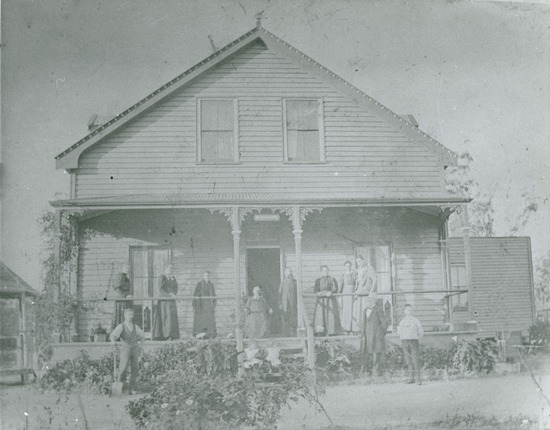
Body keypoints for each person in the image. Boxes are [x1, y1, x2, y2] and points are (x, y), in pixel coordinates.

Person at [110, 308, 145, 394]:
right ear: (125, 315)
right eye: (129, 314)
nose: (131, 316)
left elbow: (142, 335)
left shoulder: (135, 326)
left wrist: (141, 345)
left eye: (132, 315)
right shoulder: (121, 326)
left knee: (135, 368)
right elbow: (113, 335)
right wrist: (113, 342)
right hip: (125, 349)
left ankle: (132, 388)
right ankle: (122, 387)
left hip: (135, 348)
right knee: (123, 368)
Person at [360, 292, 389, 377]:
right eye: (367, 300)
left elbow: (383, 322)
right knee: (366, 352)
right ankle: (365, 371)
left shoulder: (378, 309)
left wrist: (382, 333)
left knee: (376, 352)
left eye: (370, 300)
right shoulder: (365, 310)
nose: (368, 301)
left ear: (374, 301)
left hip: (377, 334)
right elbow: (364, 322)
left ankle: (376, 371)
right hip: (367, 335)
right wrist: (362, 333)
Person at [397, 304, 424, 385]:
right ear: (404, 311)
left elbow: (421, 331)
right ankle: (411, 377)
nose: (409, 311)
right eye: (408, 310)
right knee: (408, 360)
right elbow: (399, 331)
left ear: (412, 311)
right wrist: (402, 338)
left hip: (414, 341)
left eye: (411, 310)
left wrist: (417, 337)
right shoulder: (402, 321)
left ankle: (418, 379)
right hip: (405, 341)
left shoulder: (415, 320)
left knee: (415, 359)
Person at [152, 264, 180, 340]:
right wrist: (168, 295)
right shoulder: (162, 277)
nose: (171, 270)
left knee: (171, 318)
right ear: (165, 269)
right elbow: (161, 289)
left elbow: (175, 287)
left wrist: (173, 293)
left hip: (171, 300)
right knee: (165, 317)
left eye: (172, 269)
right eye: (170, 268)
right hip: (164, 301)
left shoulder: (173, 278)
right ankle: (164, 336)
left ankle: (171, 335)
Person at [313, 266, 342, 336]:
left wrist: (331, 292)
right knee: (320, 315)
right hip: (321, 300)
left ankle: (331, 331)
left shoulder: (332, 279)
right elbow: (315, 290)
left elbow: (335, 289)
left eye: (326, 270)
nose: (325, 272)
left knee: (330, 315)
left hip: (330, 300)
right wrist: (318, 293)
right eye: (323, 271)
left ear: (328, 271)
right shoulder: (318, 280)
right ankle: (321, 331)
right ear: (321, 272)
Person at [354, 255, 377, 332]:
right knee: (359, 311)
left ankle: (368, 329)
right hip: (359, 292)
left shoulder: (369, 269)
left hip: (366, 292)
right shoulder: (358, 270)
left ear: (363, 260)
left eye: (360, 261)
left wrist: (372, 290)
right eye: (357, 262)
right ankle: (360, 329)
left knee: (366, 309)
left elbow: (375, 279)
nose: (359, 263)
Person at [192, 271, 217, 338]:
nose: (206, 277)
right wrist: (195, 304)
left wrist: (214, 304)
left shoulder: (211, 285)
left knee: (209, 319)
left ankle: (209, 334)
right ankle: (200, 334)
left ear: (209, 276)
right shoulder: (199, 284)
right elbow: (195, 294)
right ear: (203, 276)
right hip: (201, 305)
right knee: (201, 319)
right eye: (205, 276)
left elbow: (213, 295)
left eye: (208, 276)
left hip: (208, 304)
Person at [339, 261, 357, 333]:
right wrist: (339, 296)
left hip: (353, 294)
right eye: (346, 266)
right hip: (345, 294)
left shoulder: (354, 274)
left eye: (349, 266)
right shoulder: (343, 275)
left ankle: (353, 329)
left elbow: (356, 284)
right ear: (344, 267)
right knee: (346, 311)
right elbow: (340, 286)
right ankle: (346, 329)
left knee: (353, 311)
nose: (348, 267)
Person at [279, 268, 297, 337]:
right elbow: (279, 294)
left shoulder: (295, 282)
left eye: (290, 271)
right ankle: (285, 334)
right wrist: (280, 303)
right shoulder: (283, 282)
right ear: (285, 273)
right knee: (285, 318)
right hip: (285, 304)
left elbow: (297, 293)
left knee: (293, 318)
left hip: (293, 304)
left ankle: (293, 334)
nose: (289, 273)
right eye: (287, 271)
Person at [112, 263, 132, 329]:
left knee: (126, 318)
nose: (128, 270)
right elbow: (117, 289)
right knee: (121, 318)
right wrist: (125, 296)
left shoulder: (125, 277)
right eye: (126, 268)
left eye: (129, 268)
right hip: (121, 301)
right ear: (122, 268)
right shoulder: (119, 276)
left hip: (125, 301)